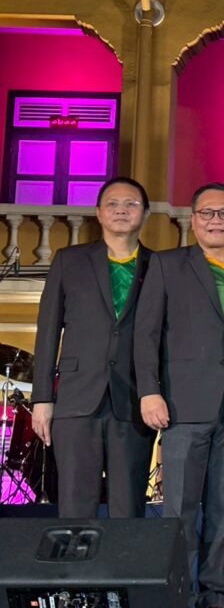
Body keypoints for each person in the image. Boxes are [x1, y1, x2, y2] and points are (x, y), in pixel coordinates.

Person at [134, 182, 224, 608]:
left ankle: (214, 602)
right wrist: (149, 390)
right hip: (182, 405)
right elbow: (146, 333)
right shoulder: (168, 265)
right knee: (180, 512)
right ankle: (175, 600)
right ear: (193, 220)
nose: (215, 220)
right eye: (206, 213)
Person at [32, 176, 154, 518]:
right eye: (112, 204)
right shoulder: (68, 261)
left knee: (128, 507)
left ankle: (123, 556)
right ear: (99, 213)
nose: (121, 210)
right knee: (75, 504)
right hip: (76, 398)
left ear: (145, 213)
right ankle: (76, 556)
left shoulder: (159, 265)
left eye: (131, 204)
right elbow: (48, 331)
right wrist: (42, 398)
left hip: (133, 400)